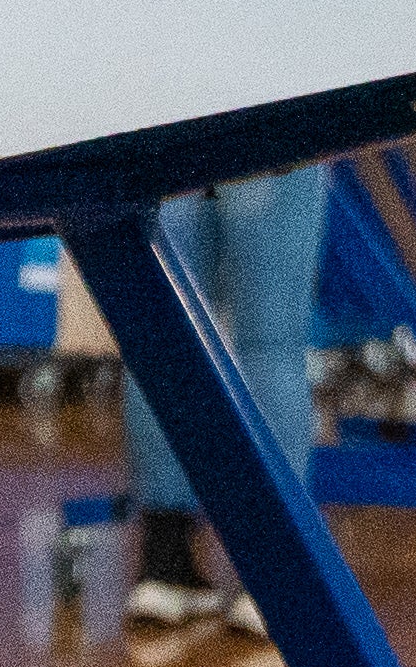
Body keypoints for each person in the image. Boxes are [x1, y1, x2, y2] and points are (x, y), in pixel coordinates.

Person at [108, 160, 334, 629]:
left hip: (164, 122)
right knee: (270, 342)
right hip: (269, 117)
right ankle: (274, 576)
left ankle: (163, 564)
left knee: (162, 337)